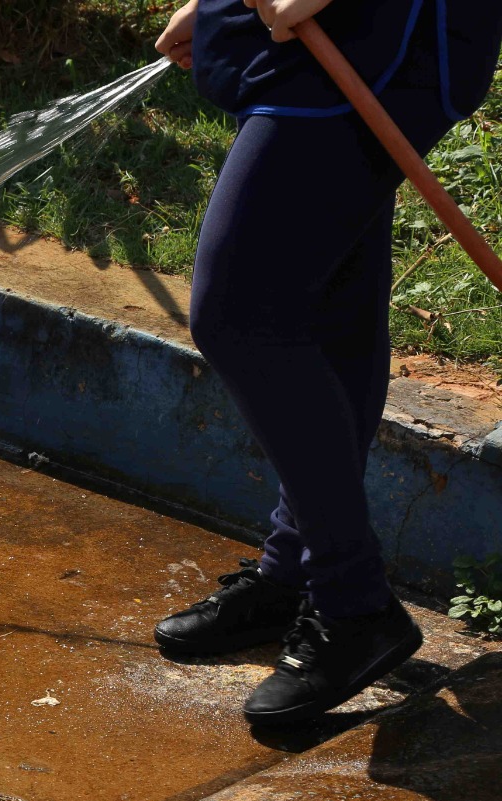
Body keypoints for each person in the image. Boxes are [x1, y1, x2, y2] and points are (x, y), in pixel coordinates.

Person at [151, 0, 502, 724]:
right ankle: (296, 568)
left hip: (389, 28)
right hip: (318, 30)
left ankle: (354, 602)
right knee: (325, 306)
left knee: (239, 315)